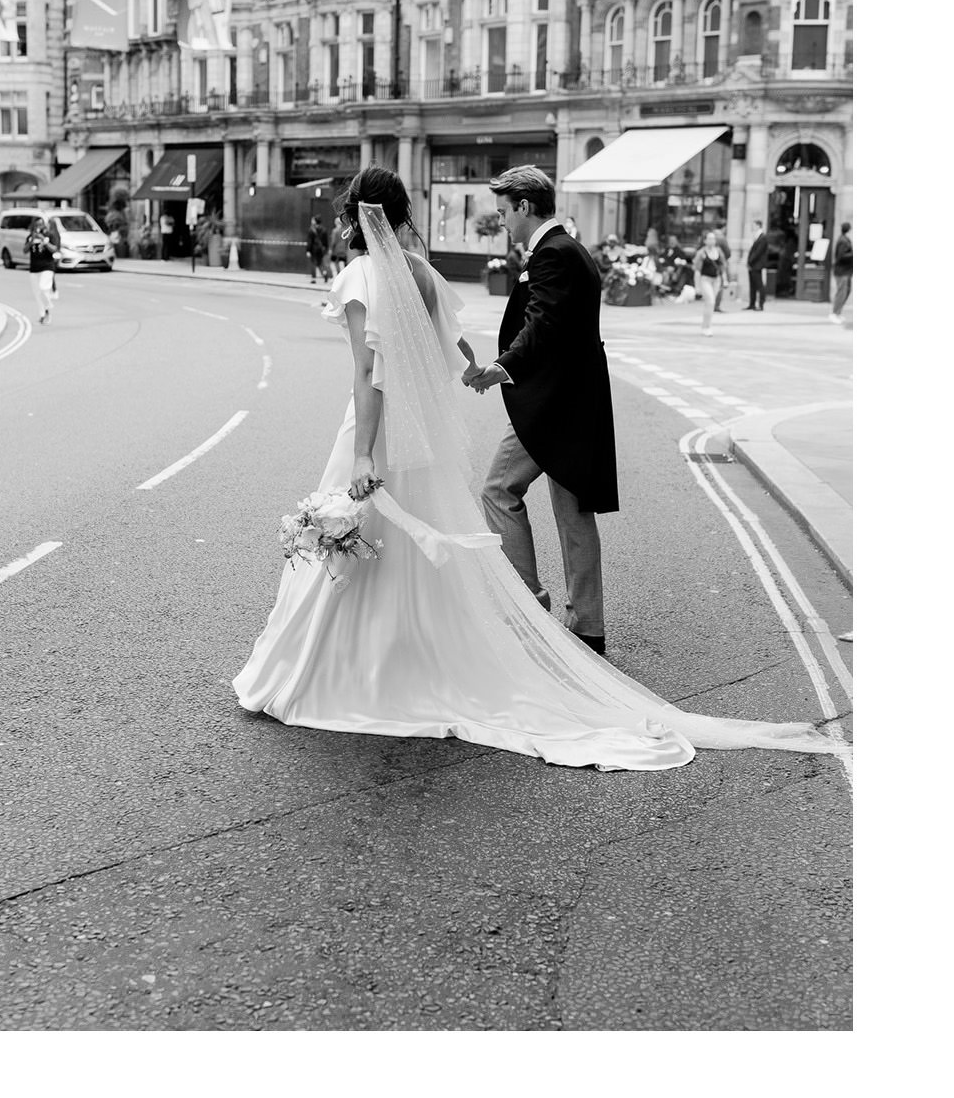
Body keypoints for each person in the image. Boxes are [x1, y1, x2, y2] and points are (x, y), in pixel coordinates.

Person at [232, 165, 837, 771]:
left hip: (464, 420)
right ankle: (518, 629)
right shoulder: (421, 272)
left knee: (448, 513)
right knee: (445, 526)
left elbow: (378, 372)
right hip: (447, 428)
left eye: (344, 213)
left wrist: (383, 439)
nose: (339, 224)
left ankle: (490, 622)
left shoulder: (379, 275)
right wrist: (475, 366)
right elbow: (451, 341)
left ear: (361, 218)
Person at [467, 166, 613, 650]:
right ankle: (587, 626)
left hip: (555, 405)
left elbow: (542, 326)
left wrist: (499, 367)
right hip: (573, 400)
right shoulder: (568, 250)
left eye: (505, 211)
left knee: (497, 490)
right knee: (572, 512)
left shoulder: (554, 255)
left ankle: (528, 603)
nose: (503, 221)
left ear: (525, 207)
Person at [694, 229, 730, 336]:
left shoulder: (718, 251)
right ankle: (707, 327)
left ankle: (706, 324)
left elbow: (723, 267)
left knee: (710, 303)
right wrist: (697, 287)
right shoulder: (701, 253)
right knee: (710, 301)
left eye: (713, 238)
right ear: (704, 241)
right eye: (709, 238)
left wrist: (725, 279)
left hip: (716, 280)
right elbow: (697, 271)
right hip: (705, 279)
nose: (712, 240)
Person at [25, 217, 60, 324]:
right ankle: (43, 314)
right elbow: (25, 250)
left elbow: (54, 249)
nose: (39, 227)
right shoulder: (30, 237)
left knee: (43, 288)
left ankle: (48, 308)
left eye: (41, 224)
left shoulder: (49, 235)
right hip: (34, 268)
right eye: (36, 225)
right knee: (37, 293)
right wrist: (31, 242)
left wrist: (44, 241)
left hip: (47, 266)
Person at [830, 221, 853, 323]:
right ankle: (834, 313)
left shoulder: (845, 240)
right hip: (842, 271)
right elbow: (840, 256)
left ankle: (838, 312)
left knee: (846, 291)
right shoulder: (843, 241)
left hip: (846, 271)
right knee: (841, 292)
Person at [745, 218, 769, 311]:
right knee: (752, 285)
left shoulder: (763, 237)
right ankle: (752, 303)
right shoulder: (755, 236)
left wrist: (750, 261)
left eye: (754, 225)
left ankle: (761, 304)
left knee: (759, 285)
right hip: (752, 264)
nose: (752, 226)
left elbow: (758, 252)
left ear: (758, 225)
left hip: (757, 265)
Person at [306, 216, 331, 285]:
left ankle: (313, 279)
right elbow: (326, 241)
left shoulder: (312, 229)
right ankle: (324, 274)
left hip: (313, 249)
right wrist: (326, 249)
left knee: (313, 264)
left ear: (315, 221)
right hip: (321, 250)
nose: (312, 221)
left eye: (313, 220)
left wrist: (308, 250)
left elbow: (310, 241)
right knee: (320, 264)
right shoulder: (324, 229)